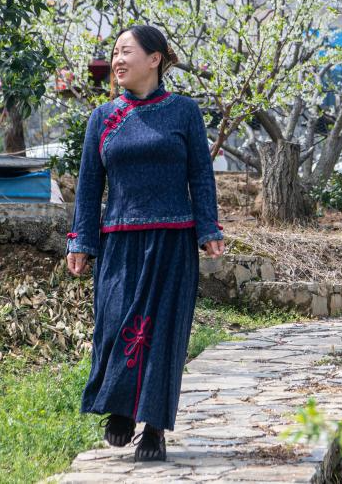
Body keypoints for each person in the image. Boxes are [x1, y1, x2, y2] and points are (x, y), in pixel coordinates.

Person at [65, 23, 226, 462]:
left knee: (164, 334)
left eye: (126, 52)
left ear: (155, 59)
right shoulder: (103, 117)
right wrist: (81, 240)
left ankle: (153, 428)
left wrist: (209, 228)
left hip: (173, 241)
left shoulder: (183, 112)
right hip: (119, 239)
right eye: (114, 53)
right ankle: (120, 407)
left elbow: (200, 174)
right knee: (114, 325)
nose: (117, 60)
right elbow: (88, 184)